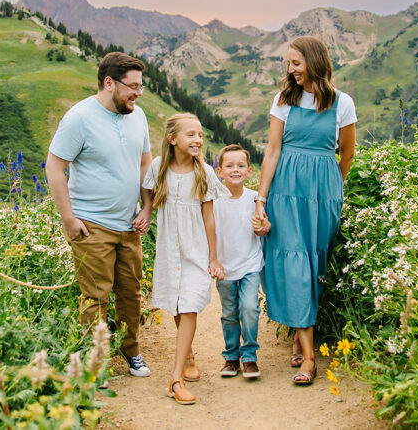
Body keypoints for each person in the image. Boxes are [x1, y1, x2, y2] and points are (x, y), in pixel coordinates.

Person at [254, 36, 357, 385]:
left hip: (323, 194)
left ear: (313, 61)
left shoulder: (343, 104)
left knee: (313, 264)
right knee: (293, 262)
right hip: (285, 191)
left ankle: (300, 338)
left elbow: (346, 155)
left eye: (295, 63)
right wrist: (261, 199)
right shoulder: (284, 100)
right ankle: (309, 360)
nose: (290, 70)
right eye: (288, 64)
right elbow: (271, 151)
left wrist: (330, 189)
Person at [46, 51, 154, 379]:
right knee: (95, 297)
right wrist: (68, 218)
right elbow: (54, 167)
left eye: (140, 86)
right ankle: (96, 362)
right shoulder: (79, 118)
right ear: (109, 83)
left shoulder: (138, 116)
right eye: (132, 86)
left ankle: (131, 349)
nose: (138, 92)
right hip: (90, 225)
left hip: (129, 223)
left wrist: (147, 208)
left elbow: (145, 164)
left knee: (131, 292)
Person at [138, 113, 226, 405]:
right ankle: (187, 353)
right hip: (168, 249)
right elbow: (147, 189)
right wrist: (147, 211)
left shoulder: (205, 173)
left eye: (200, 135)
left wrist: (213, 258)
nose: (198, 140)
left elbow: (209, 218)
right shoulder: (158, 168)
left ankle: (174, 379)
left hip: (195, 251)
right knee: (177, 305)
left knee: (189, 307)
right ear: (172, 139)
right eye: (191, 135)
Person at [213, 144, 271, 380]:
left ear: (249, 171)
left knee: (249, 308)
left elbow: (263, 228)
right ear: (219, 171)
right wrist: (213, 261)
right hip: (225, 267)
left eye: (240, 165)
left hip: (250, 264)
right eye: (229, 165)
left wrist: (264, 227)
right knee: (229, 313)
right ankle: (231, 356)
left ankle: (249, 356)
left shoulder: (254, 199)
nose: (235, 170)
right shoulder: (214, 200)